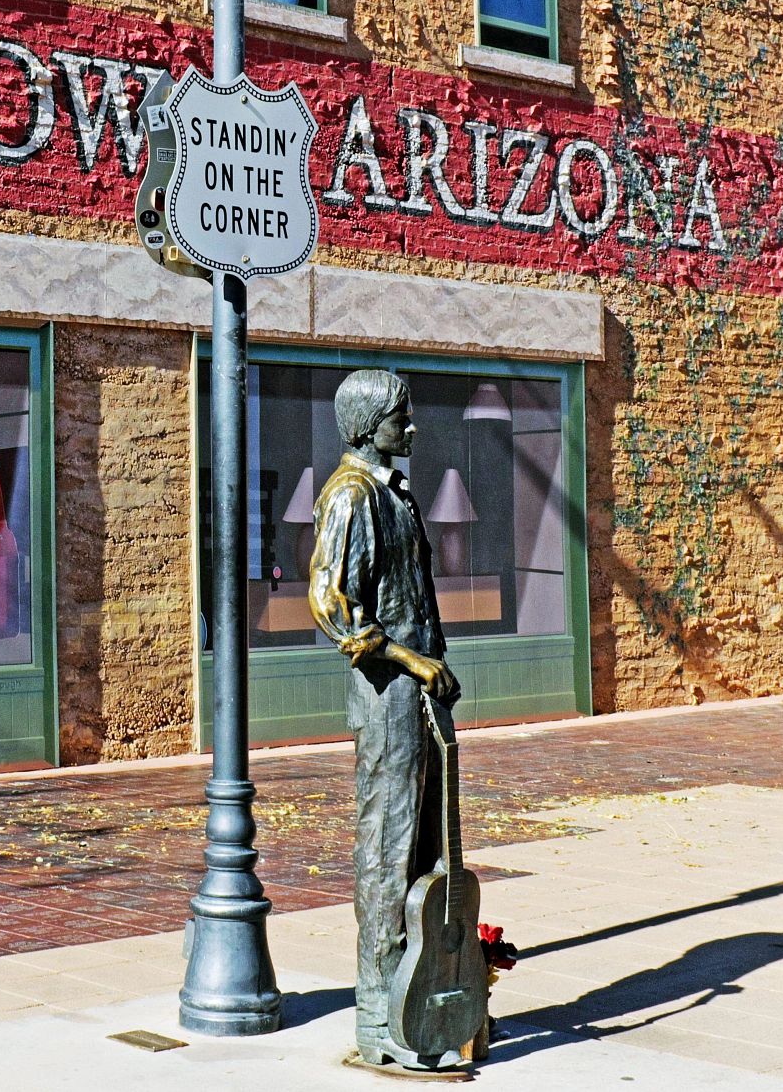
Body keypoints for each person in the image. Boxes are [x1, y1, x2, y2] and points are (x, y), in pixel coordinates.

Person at [308, 368, 459, 1071]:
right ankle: (378, 1014)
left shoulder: (394, 492)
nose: (413, 425)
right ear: (370, 424)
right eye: (402, 415)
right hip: (388, 693)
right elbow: (334, 603)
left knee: (425, 842)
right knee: (386, 846)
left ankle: (419, 991)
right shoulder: (351, 496)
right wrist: (410, 660)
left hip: (420, 691)